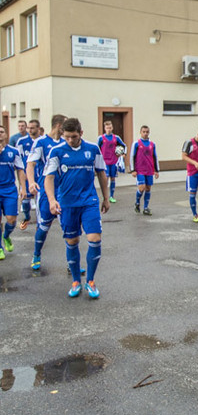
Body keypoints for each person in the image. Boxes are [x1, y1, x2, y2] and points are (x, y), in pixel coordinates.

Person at [44, 117, 109, 298]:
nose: (70, 140)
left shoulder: (92, 149)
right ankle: (75, 281)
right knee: (72, 242)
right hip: (67, 204)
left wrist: (106, 198)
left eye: (73, 136)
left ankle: (90, 280)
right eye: (67, 137)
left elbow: (101, 174)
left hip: (89, 202)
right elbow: (48, 178)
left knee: (95, 238)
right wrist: (51, 200)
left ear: (81, 133)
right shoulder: (56, 151)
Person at [26, 114, 66, 270]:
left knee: (68, 227)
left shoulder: (64, 143)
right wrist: (31, 182)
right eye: (65, 126)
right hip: (45, 190)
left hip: (63, 191)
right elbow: (30, 164)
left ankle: (72, 263)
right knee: (44, 226)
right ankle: (36, 254)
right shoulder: (41, 142)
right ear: (58, 126)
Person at [0, 125, 26, 261]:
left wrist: (23, 188)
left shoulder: (13, 151)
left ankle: (6, 236)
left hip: (9, 189)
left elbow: (20, 170)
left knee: (11, 219)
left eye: (2, 131)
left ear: (5, 135)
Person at [16, 118, 40, 229]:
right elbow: (19, 160)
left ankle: (40, 223)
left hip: (40, 176)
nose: (29, 130)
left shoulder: (42, 141)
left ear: (38, 128)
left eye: (32, 128)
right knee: (25, 201)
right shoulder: (21, 142)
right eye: (28, 128)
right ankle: (26, 216)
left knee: (40, 201)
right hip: (27, 176)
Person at [130, 125, 159, 215]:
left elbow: (155, 157)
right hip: (140, 170)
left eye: (147, 132)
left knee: (148, 188)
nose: (145, 133)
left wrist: (156, 170)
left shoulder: (152, 144)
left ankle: (146, 208)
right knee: (141, 188)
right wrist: (133, 170)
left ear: (149, 132)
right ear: (140, 132)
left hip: (149, 170)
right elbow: (132, 156)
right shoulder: (136, 143)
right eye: (144, 132)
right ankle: (137, 202)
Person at [98, 121, 127, 203]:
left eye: (110, 128)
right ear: (104, 128)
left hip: (114, 161)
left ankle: (112, 196)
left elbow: (124, 145)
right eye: (107, 128)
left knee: (113, 178)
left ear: (112, 128)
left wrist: (123, 153)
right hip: (105, 162)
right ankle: (105, 196)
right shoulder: (101, 138)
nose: (109, 129)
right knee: (105, 179)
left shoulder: (116, 138)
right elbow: (97, 149)